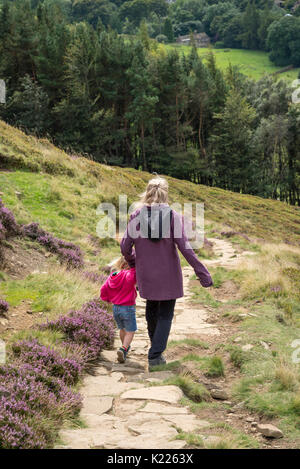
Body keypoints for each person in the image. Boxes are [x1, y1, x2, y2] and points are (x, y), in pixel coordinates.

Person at [121, 176, 213, 369]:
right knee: (165, 315)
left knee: (152, 311)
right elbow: (186, 249)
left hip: (146, 274)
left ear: (147, 192)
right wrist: (202, 273)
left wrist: (133, 262)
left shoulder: (135, 216)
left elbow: (125, 247)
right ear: (165, 194)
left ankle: (156, 351)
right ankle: (155, 356)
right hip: (169, 275)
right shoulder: (174, 217)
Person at [100, 256, 137, 363]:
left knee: (122, 329)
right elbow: (133, 277)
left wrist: (106, 299)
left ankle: (124, 348)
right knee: (130, 331)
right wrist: (135, 267)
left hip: (115, 308)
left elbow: (104, 288)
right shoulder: (129, 274)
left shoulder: (113, 275)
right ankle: (124, 348)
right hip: (127, 308)